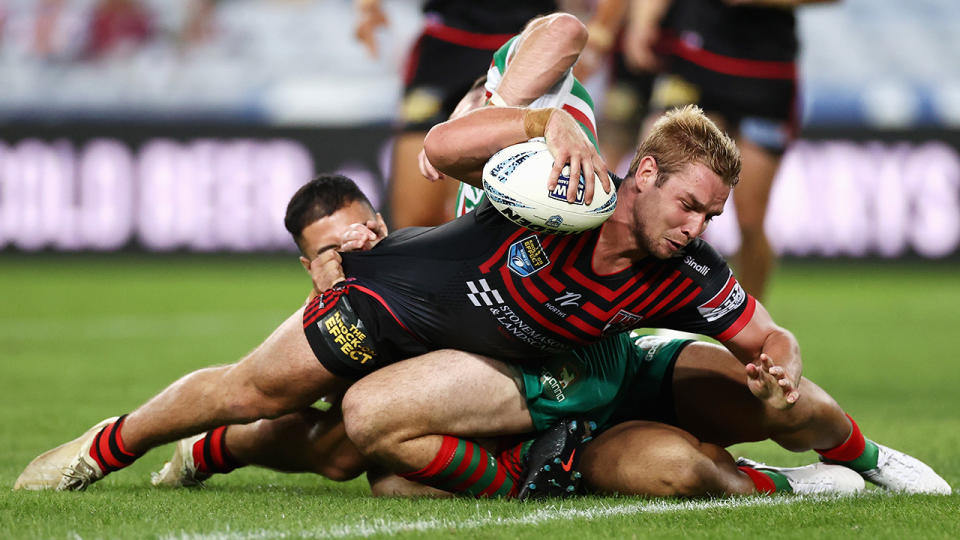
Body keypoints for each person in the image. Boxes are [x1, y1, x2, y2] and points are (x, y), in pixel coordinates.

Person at [622, 0, 837, 300]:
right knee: (657, 193)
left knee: (750, 222)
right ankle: (655, 309)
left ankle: (749, 320)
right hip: (694, 58)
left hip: (765, 76)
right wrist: (643, 20)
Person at [354, 0, 557, 228]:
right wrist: (368, 7)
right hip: (444, 45)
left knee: (509, 210)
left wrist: (600, 33)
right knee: (416, 220)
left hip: (526, 46)